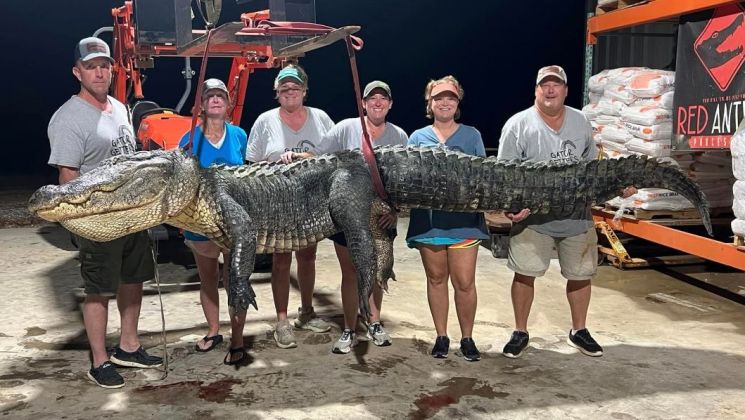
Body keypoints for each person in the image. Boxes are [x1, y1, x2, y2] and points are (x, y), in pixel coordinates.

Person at [47, 37, 162, 388]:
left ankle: (128, 346)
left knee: (134, 279)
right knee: (98, 288)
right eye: (91, 66)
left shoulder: (119, 107)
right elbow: (68, 177)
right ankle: (99, 361)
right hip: (98, 220)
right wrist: (86, 221)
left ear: (111, 70)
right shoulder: (69, 118)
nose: (99, 72)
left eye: (104, 65)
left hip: (131, 215)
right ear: (77, 71)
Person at [497, 65, 635, 358]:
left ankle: (579, 330)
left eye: (556, 85)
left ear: (565, 90)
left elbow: (592, 169)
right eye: (544, 85)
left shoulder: (581, 121)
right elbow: (504, 174)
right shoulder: (518, 124)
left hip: (576, 216)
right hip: (533, 220)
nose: (550, 90)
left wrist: (618, 185)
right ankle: (520, 330)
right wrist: (511, 209)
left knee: (580, 275)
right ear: (536, 90)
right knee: (524, 274)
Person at [312, 81, 408, 354]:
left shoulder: (399, 135)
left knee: (377, 272)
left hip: (380, 217)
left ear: (390, 104)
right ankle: (350, 327)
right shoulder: (345, 128)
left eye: (383, 99)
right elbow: (320, 158)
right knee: (351, 273)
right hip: (346, 217)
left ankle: (375, 322)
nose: (377, 103)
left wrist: (395, 210)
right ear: (363, 103)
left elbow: (404, 179)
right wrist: (295, 156)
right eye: (372, 98)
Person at [245, 64, 334, 349]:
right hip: (278, 204)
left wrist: (305, 156)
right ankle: (282, 321)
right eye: (284, 88)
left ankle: (306, 313)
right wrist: (275, 162)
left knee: (308, 258)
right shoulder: (264, 121)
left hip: (311, 202)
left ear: (305, 91)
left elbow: (335, 158)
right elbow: (251, 164)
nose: (290, 92)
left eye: (295, 87)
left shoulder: (320, 118)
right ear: (277, 93)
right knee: (281, 262)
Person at [405, 75, 488, 362]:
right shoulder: (416, 137)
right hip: (430, 223)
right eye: (438, 97)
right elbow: (409, 178)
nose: (444, 102)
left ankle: (467, 337)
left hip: (464, 222)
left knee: (464, 282)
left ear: (458, 102)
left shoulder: (472, 135)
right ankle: (441, 336)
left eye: (450, 97)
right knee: (436, 279)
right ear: (430, 102)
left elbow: (484, 178)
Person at [178, 78, 249, 365]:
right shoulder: (189, 140)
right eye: (210, 97)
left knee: (236, 280)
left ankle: (238, 338)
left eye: (221, 95)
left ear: (228, 104)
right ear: (202, 105)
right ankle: (214, 330)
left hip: (233, 223)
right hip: (202, 223)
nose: (216, 100)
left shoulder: (240, 136)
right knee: (208, 279)